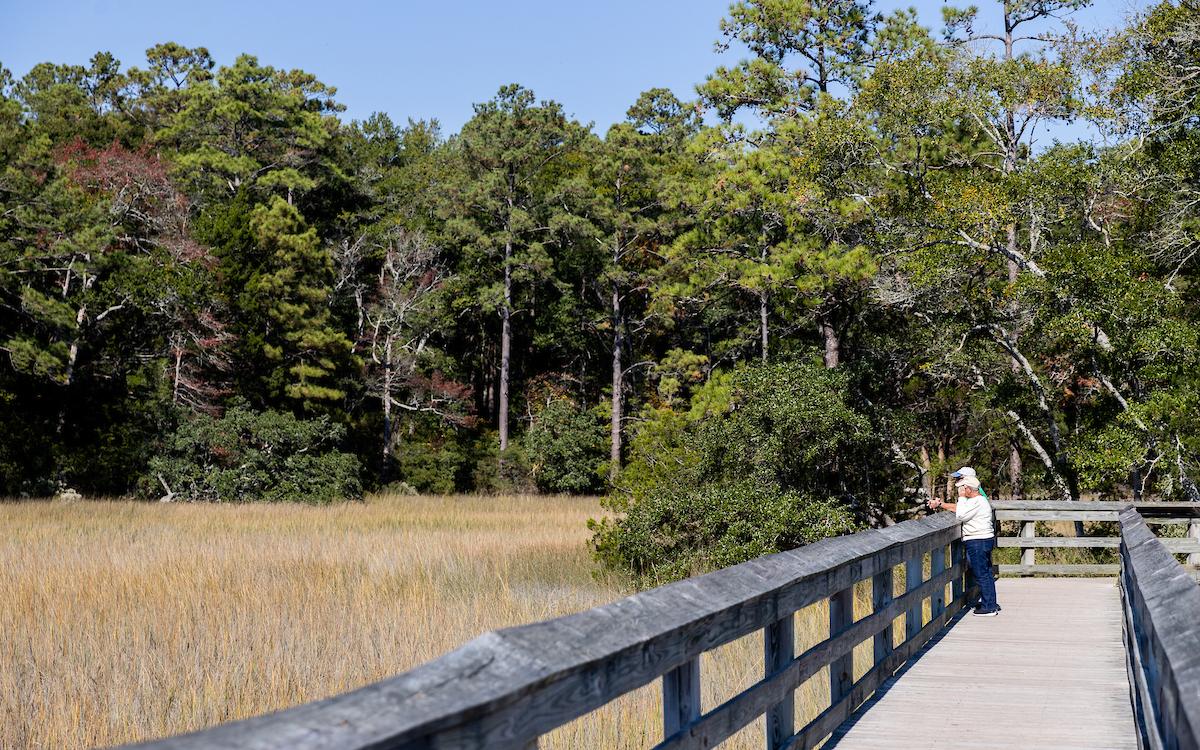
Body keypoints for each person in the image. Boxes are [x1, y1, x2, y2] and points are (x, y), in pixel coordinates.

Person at [928, 473, 1000, 616]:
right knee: (984, 573)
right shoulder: (976, 500)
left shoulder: (978, 501)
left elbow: (961, 515)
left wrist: (961, 497)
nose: (959, 491)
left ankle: (989, 607)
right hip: (981, 540)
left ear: (968, 489)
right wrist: (941, 504)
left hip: (978, 541)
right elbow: (960, 509)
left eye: (962, 488)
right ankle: (989, 602)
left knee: (982, 574)